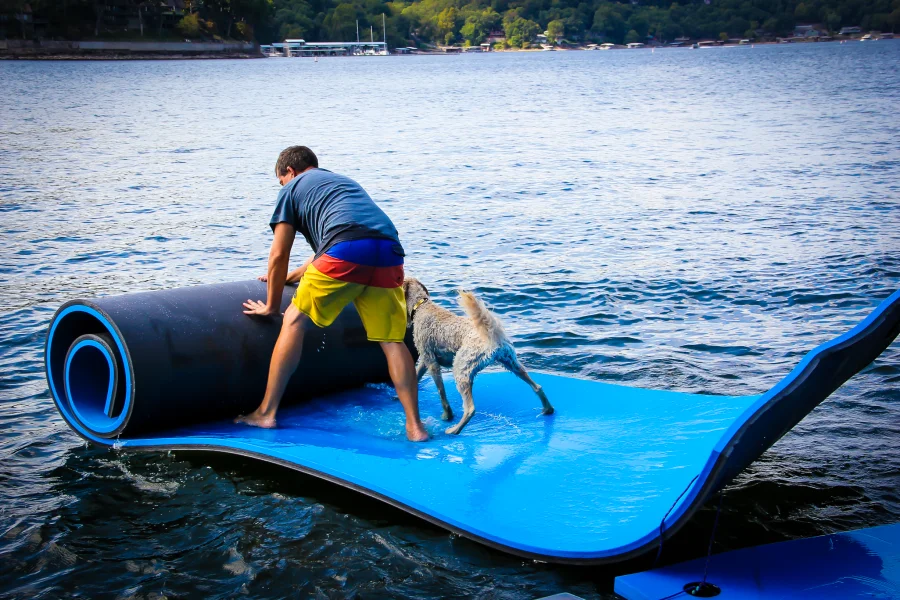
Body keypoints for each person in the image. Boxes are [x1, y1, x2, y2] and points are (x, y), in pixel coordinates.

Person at [236, 146, 429, 442]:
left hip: (347, 249)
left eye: (280, 180)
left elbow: (279, 253)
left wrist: (272, 306)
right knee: (392, 341)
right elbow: (335, 247)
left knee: (294, 319)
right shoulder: (341, 184)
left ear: (290, 171)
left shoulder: (291, 189)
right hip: (389, 251)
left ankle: (265, 413)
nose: (282, 186)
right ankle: (415, 428)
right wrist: (291, 278)